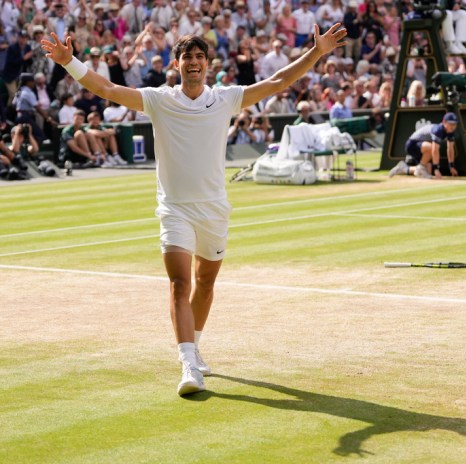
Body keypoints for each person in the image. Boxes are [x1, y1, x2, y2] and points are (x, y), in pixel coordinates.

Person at [42, 24, 347, 396]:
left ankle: (195, 346)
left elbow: (279, 81)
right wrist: (68, 61)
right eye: (188, 57)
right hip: (175, 210)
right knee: (179, 284)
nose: (194, 63)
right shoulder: (158, 99)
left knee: (205, 284)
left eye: (200, 57)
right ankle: (188, 363)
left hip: (215, 209)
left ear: (208, 65)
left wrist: (317, 52)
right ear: (177, 64)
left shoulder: (226, 98)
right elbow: (106, 89)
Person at [388, 112, 459, 179]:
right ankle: (420, 167)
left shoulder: (450, 132)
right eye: (450, 124)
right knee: (432, 147)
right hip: (412, 145)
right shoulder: (438, 130)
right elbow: (434, 150)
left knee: (427, 171)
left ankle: (403, 168)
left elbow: (450, 149)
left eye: (454, 124)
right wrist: (436, 169)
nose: (453, 127)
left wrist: (451, 166)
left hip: (423, 148)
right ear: (444, 122)